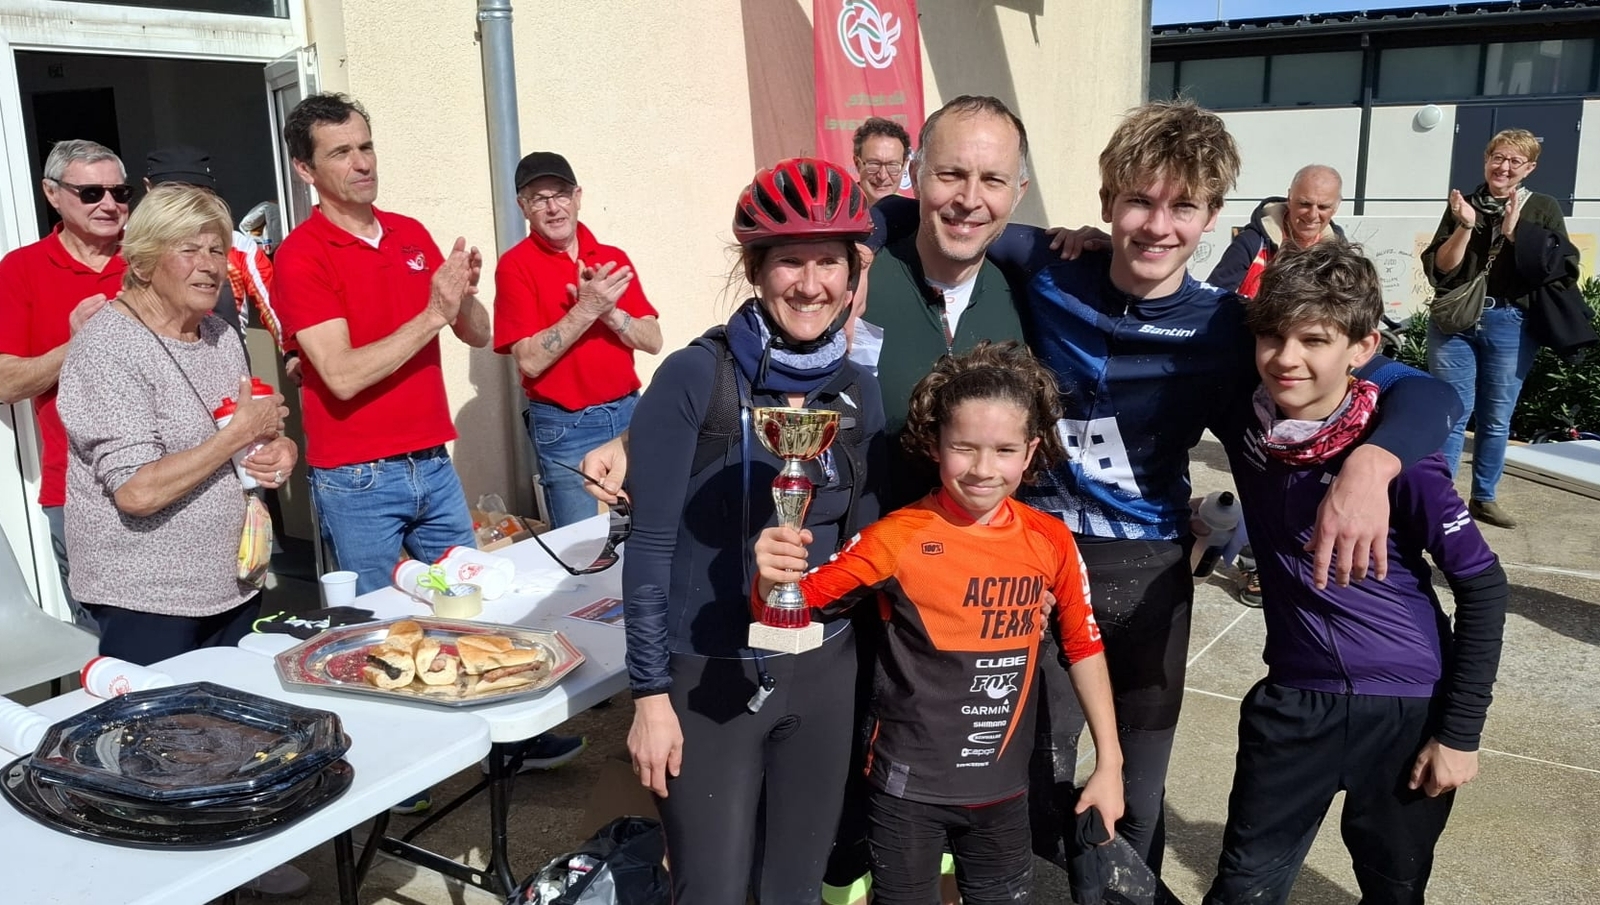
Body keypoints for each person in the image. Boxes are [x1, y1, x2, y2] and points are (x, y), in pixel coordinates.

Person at [865, 99, 1458, 880]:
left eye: (1183, 207)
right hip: (1037, 564)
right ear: (1107, 201)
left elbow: (1426, 392)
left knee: (1138, 798)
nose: (1157, 225)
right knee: (1030, 784)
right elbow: (917, 209)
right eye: (1139, 201)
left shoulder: (1228, 328)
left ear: (1213, 217)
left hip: (1149, 577)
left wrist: (1374, 462)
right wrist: (857, 240)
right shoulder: (1049, 266)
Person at [271, 93, 582, 807]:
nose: (362, 162)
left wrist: (461, 295)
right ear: (306, 170)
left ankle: (506, 738)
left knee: (470, 608)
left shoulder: (409, 232)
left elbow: (477, 331)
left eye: (366, 145)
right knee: (382, 630)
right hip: (357, 476)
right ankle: (401, 766)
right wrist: (432, 312)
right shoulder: (302, 256)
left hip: (431, 462)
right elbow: (340, 374)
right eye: (341, 153)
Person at [752, 341, 1123, 905]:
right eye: (963, 448)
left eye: (1004, 450)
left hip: (1004, 790)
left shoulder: (1050, 539)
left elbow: (1085, 647)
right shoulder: (895, 538)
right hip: (906, 792)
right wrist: (770, 580)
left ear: (1031, 451)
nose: (983, 469)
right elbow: (787, 609)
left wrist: (1110, 763)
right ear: (934, 445)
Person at [1204, 240, 1507, 904]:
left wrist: (1459, 734)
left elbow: (1484, 586)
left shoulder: (1399, 457)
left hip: (1406, 710)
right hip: (1294, 703)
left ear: (1362, 347)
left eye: (1315, 339)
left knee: (1394, 887)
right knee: (1242, 888)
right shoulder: (1248, 424)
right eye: (1273, 337)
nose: (1287, 358)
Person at [622, 157, 886, 905]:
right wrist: (648, 697)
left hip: (824, 668)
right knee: (711, 890)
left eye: (829, 262)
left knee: (795, 891)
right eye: (789, 262)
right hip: (709, 671)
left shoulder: (858, 389)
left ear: (852, 272)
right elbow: (649, 547)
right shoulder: (694, 378)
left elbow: (866, 544)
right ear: (755, 269)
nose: (810, 284)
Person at [55, 183, 307, 898]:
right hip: (147, 590)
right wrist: (236, 437)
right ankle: (170, 879)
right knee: (156, 756)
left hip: (231, 576)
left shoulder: (220, 333)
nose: (209, 264)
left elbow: (247, 432)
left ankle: (234, 846)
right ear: (141, 260)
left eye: (217, 249)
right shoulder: (106, 350)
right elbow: (135, 490)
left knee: (229, 730)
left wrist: (277, 452)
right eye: (188, 248)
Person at [0, 139, 129, 632]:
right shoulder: (22, 270)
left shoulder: (152, 258)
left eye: (119, 192)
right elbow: (6, 382)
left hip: (171, 477)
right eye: (91, 192)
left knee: (187, 630)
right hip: (79, 490)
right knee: (105, 638)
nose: (109, 204)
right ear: (52, 194)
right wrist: (75, 346)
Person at [493, 151, 661, 528]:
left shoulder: (611, 258)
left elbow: (653, 340)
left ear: (578, 197)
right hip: (566, 427)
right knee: (581, 541)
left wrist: (610, 312)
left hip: (628, 415)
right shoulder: (515, 266)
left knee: (650, 527)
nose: (554, 208)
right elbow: (529, 360)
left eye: (561, 194)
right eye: (540, 199)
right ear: (523, 207)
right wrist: (586, 309)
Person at [1423, 129, 1579, 530]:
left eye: (1514, 161)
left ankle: (1484, 498)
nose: (1504, 167)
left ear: (1529, 168)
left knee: (1496, 418)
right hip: (1455, 322)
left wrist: (1515, 234)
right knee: (1452, 413)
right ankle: (1441, 501)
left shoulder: (1542, 207)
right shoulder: (1464, 204)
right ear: (1486, 160)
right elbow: (1441, 268)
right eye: (1498, 158)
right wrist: (1464, 226)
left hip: (1510, 321)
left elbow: (1559, 269)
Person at [1207, 164, 1345, 298]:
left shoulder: (1341, 253)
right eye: (1305, 204)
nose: (1312, 215)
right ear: (1289, 198)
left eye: (1323, 207)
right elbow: (1211, 300)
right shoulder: (1251, 243)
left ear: (1336, 208)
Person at [852, 116, 913, 206]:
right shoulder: (835, 210)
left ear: (904, 166)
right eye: (874, 164)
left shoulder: (913, 212)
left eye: (892, 165)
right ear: (857, 164)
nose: (882, 176)